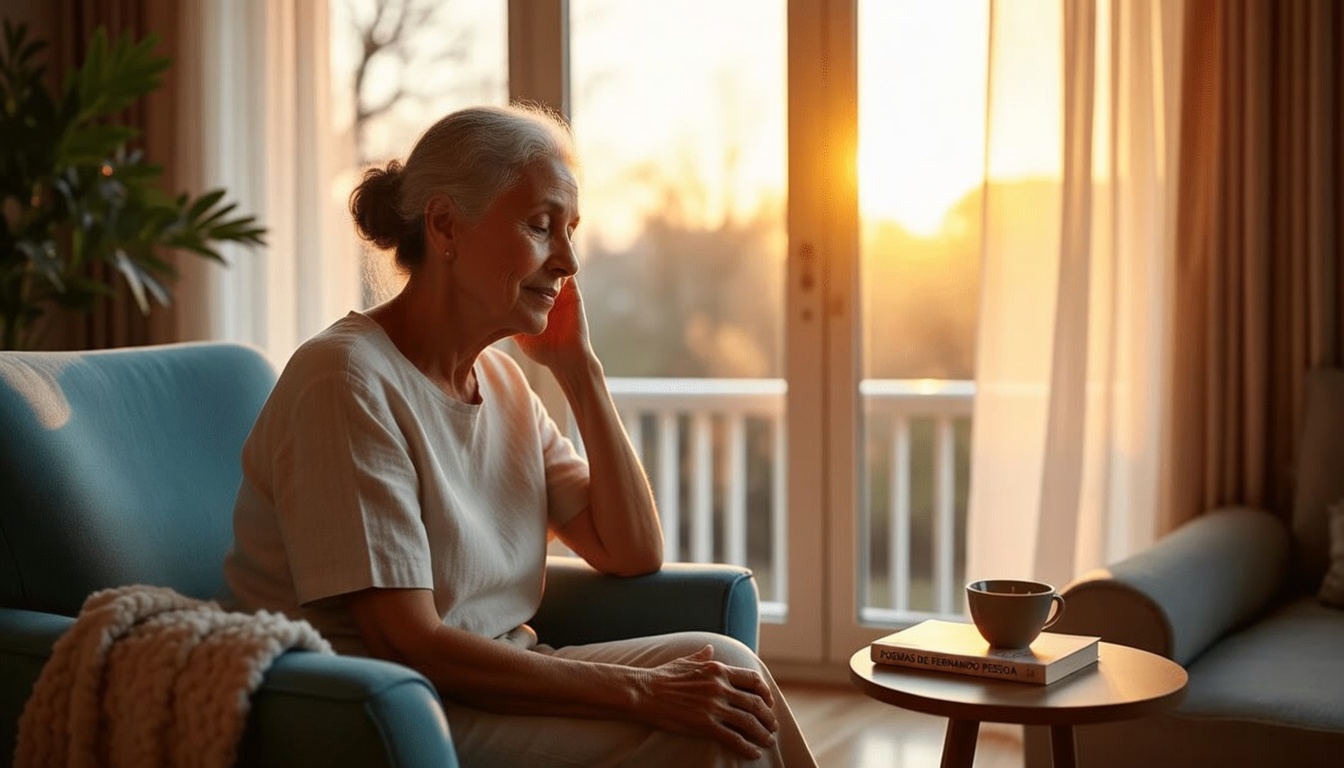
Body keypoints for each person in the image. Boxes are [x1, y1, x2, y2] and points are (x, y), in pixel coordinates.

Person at [223, 102, 817, 767]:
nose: (566, 260)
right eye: (540, 227)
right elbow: (406, 642)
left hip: (498, 683)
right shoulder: (345, 379)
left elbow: (631, 551)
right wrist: (642, 692)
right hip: (403, 708)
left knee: (731, 667)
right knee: (704, 736)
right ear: (447, 226)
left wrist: (580, 373)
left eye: (571, 230)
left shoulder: (503, 384)